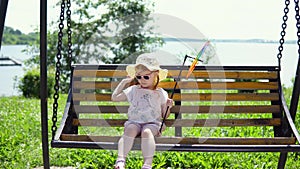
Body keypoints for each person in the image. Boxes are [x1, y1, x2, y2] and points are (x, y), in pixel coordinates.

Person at [112, 53, 173, 169]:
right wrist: (124, 82)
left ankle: (147, 164)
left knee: (147, 132)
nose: (142, 80)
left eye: (146, 77)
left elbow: (164, 115)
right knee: (129, 130)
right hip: (135, 122)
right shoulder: (133, 90)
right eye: (139, 77)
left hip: (153, 123)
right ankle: (120, 160)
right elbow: (115, 98)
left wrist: (168, 107)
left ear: (155, 75)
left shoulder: (160, 93)